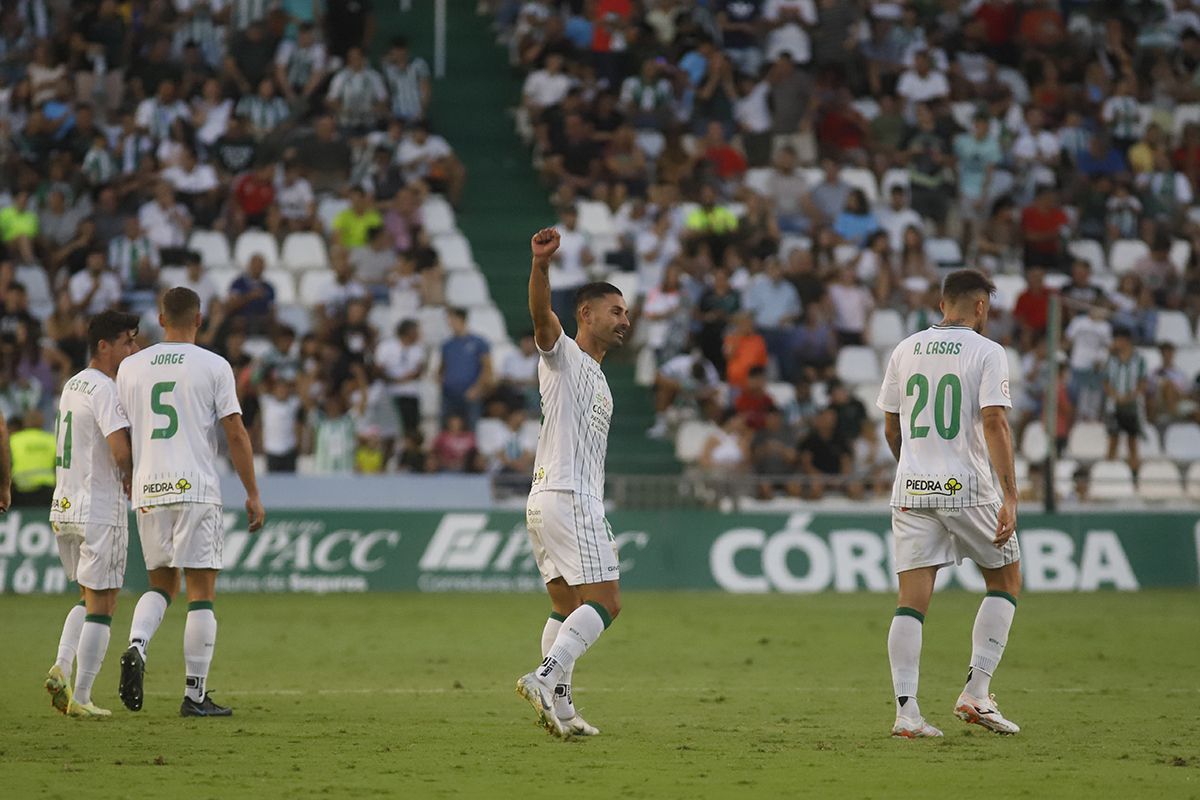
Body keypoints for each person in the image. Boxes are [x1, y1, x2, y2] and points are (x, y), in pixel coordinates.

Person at [876, 269, 1021, 738]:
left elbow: (892, 430)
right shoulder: (988, 351)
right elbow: (995, 422)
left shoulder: (905, 349)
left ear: (942, 304)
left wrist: (912, 468)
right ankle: (976, 693)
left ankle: (906, 714)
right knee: (1005, 579)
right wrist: (1011, 495)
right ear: (980, 307)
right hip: (967, 486)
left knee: (911, 602)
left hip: (912, 487)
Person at [115, 288, 265, 718]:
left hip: (149, 488)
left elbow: (122, 435)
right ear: (198, 319)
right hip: (195, 487)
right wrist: (252, 492)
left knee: (161, 584)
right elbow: (235, 433)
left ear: (160, 319)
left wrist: (128, 477)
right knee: (200, 593)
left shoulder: (131, 367)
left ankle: (138, 644)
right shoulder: (214, 365)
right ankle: (195, 696)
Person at [516, 227, 630, 740]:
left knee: (565, 608)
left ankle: (560, 708)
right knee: (606, 602)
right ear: (586, 314)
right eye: (616, 311)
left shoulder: (600, 378)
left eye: (626, 313)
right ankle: (543, 677)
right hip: (569, 498)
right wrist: (541, 267)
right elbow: (542, 318)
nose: (624, 320)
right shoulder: (563, 356)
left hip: (544, 500)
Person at [45, 310, 139, 719]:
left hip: (66, 504)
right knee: (105, 601)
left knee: (87, 594)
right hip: (100, 506)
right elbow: (119, 450)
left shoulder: (72, 384)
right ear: (105, 345)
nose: (132, 349)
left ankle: (62, 667)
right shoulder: (105, 388)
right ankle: (81, 696)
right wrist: (135, 480)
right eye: (127, 341)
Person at [1103, 328, 1147, 471]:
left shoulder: (1139, 360)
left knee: (1132, 442)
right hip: (1114, 405)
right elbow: (1105, 382)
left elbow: (1142, 383)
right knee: (1113, 440)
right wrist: (1115, 396)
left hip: (1132, 405)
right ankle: (1108, 472)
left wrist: (1129, 397)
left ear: (1126, 341)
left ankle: (1134, 475)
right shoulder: (1111, 359)